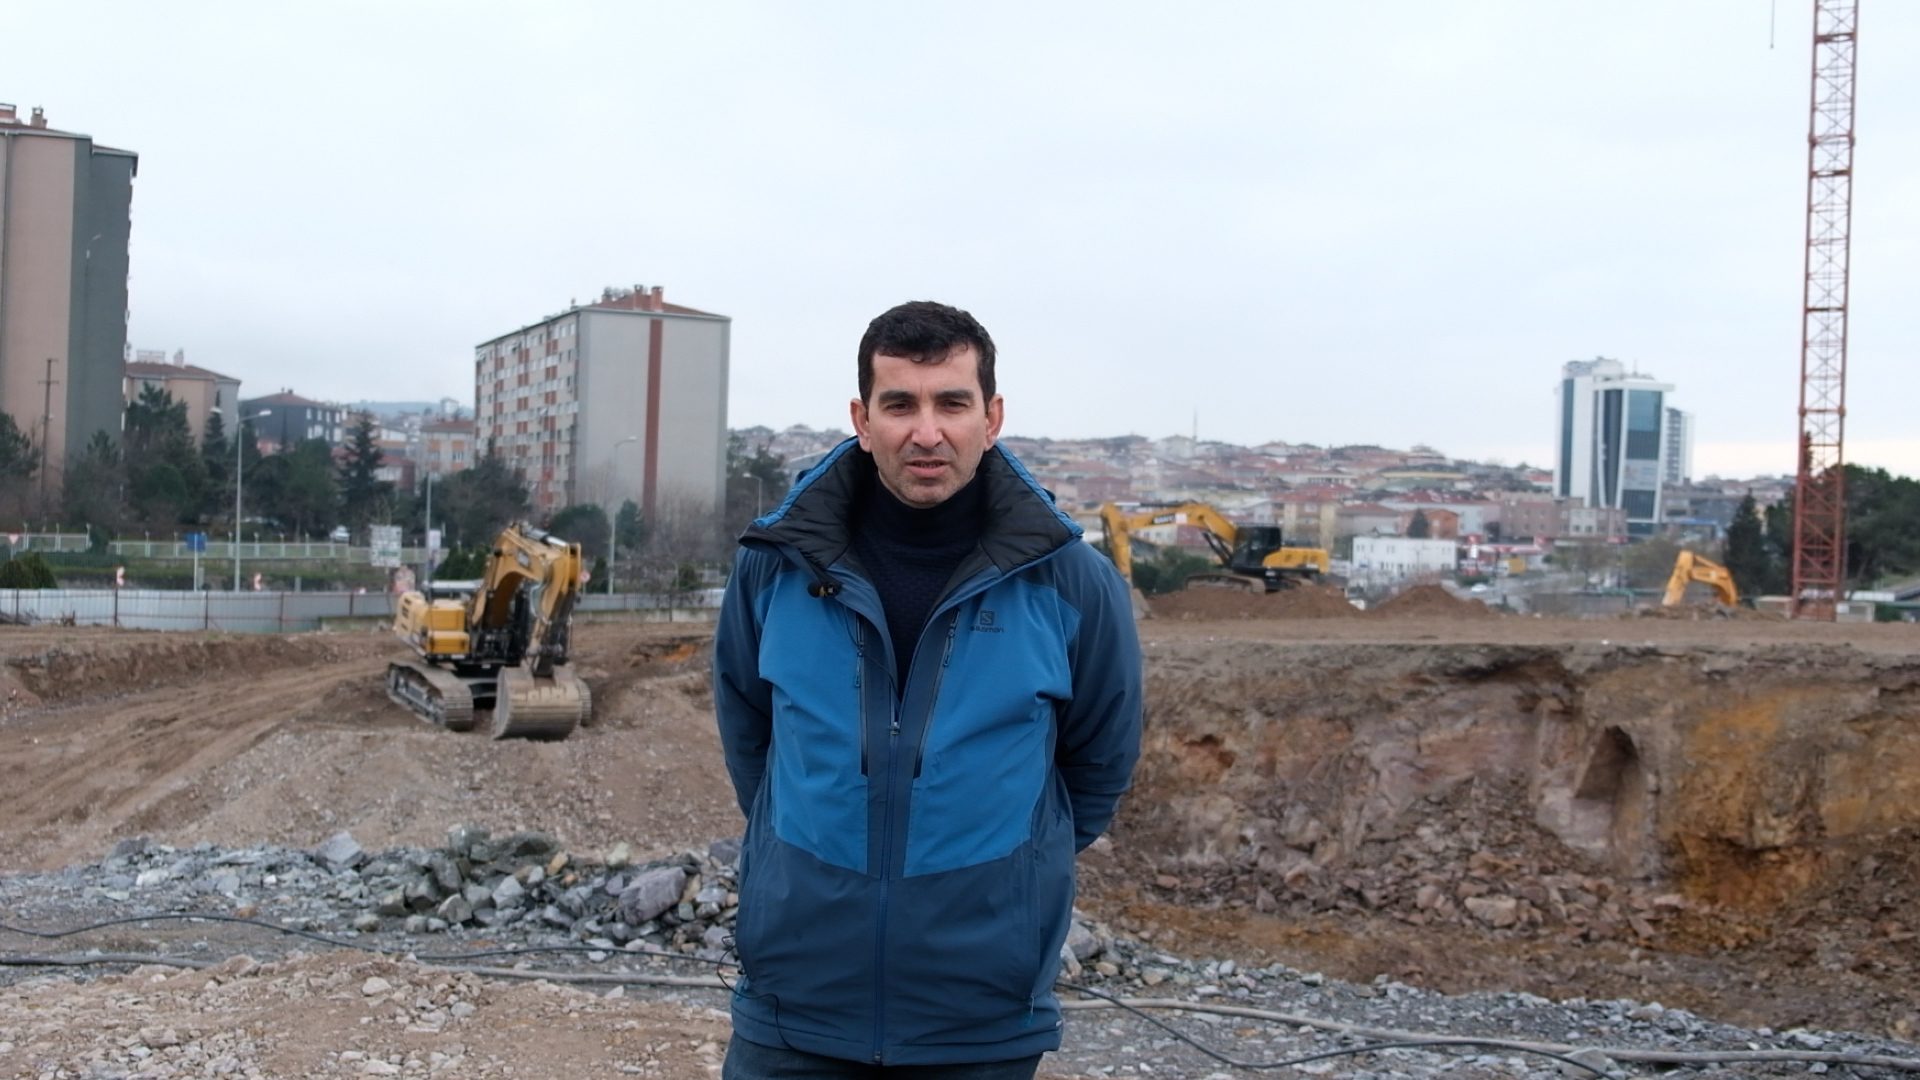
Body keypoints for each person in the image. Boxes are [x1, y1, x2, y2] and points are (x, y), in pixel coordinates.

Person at [712, 300, 1143, 1077]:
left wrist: (1006, 879)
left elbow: (1096, 766)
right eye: (900, 404)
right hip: (794, 1013)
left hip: (977, 1026)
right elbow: (750, 737)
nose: (927, 432)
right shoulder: (774, 568)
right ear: (861, 416)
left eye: (952, 402)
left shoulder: (1074, 583)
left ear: (993, 415)